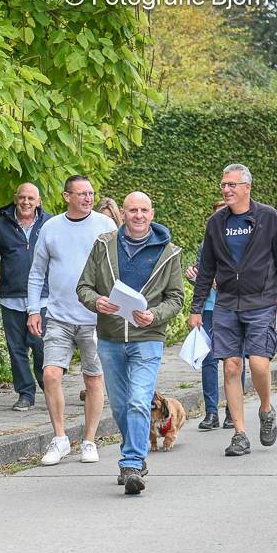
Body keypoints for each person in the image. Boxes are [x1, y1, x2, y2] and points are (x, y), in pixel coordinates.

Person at [75, 191, 184, 495]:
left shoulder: (169, 252)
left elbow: (176, 297)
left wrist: (155, 315)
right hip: (110, 338)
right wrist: (97, 301)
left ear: (152, 213)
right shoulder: (104, 245)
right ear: (124, 213)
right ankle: (134, 449)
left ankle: (132, 463)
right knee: (122, 406)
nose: (138, 215)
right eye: (132, 210)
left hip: (148, 338)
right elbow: (83, 287)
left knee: (139, 401)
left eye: (144, 210)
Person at [188, 163, 277, 457]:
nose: (226, 190)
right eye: (223, 185)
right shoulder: (216, 223)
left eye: (231, 185)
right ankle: (240, 433)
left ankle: (266, 409)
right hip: (225, 305)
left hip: (260, 303)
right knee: (231, 365)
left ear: (247, 187)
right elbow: (206, 268)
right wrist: (196, 308)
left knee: (260, 364)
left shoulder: (268, 218)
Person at [26, 175, 117, 465]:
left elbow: (119, 266)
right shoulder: (51, 228)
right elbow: (37, 272)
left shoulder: (105, 226)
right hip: (59, 317)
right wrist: (32, 309)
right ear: (67, 197)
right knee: (51, 374)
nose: (88, 198)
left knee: (93, 379)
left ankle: (89, 440)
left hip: (95, 318)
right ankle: (60, 438)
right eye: (81, 194)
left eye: (91, 193)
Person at [0, 183, 50, 411]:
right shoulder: (1, 225)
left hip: (43, 299)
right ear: (15, 198)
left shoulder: (50, 224)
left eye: (31, 198)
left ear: (38, 201)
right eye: (22, 198)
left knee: (40, 346)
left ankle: (48, 386)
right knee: (16, 349)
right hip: (11, 298)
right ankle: (25, 394)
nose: (26, 202)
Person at [184, 200, 242, 431]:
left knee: (234, 360)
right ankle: (211, 412)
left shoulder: (243, 244)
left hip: (234, 308)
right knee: (208, 360)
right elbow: (201, 273)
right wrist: (193, 277)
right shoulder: (206, 244)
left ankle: (232, 411)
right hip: (209, 309)